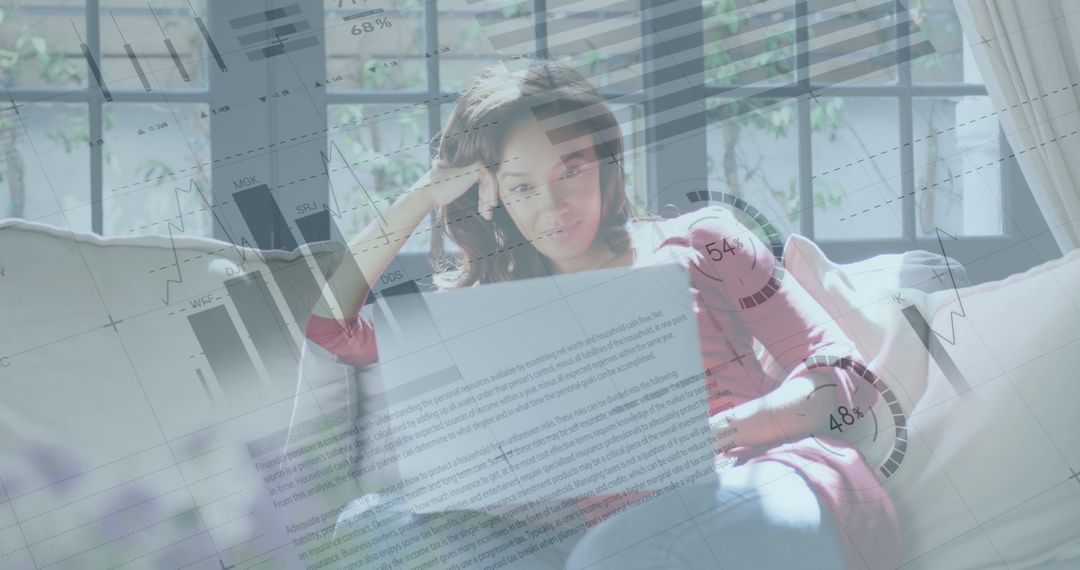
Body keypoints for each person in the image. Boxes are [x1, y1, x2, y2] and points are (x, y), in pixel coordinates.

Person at [303, 60, 900, 568]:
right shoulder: (494, 307)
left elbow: (843, 376)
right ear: (497, 201)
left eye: (571, 171)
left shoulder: (700, 241)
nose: (555, 207)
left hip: (765, 481)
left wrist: (700, 436)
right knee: (374, 526)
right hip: (611, 536)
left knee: (617, 551)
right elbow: (332, 329)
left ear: (605, 163)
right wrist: (421, 197)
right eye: (523, 188)